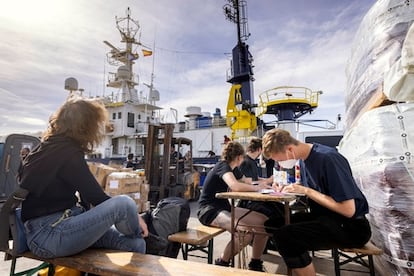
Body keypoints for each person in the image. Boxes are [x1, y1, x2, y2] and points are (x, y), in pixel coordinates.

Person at [18, 97, 148, 259]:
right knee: (125, 204)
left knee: (136, 244)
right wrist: (136, 218)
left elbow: (87, 196)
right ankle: (139, 232)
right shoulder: (67, 152)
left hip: (57, 228)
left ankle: (136, 236)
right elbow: (96, 197)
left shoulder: (44, 148)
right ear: (85, 126)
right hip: (50, 234)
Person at [262, 128, 371, 276]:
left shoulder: (328, 159)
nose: (281, 164)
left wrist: (307, 191)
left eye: (280, 160)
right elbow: (319, 189)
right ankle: (300, 263)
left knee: (285, 236)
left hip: (350, 226)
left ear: (290, 149)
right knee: (272, 224)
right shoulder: (306, 159)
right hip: (326, 217)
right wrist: (295, 188)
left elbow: (348, 209)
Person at [197, 141, 272, 271]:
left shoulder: (233, 169)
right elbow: (235, 186)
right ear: (239, 157)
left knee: (264, 223)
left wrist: (264, 184)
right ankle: (222, 262)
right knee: (245, 233)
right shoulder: (223, 166)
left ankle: (255, 263)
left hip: (224, 208)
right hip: (209, 211)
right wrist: (257, 188)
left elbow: (247, 181)